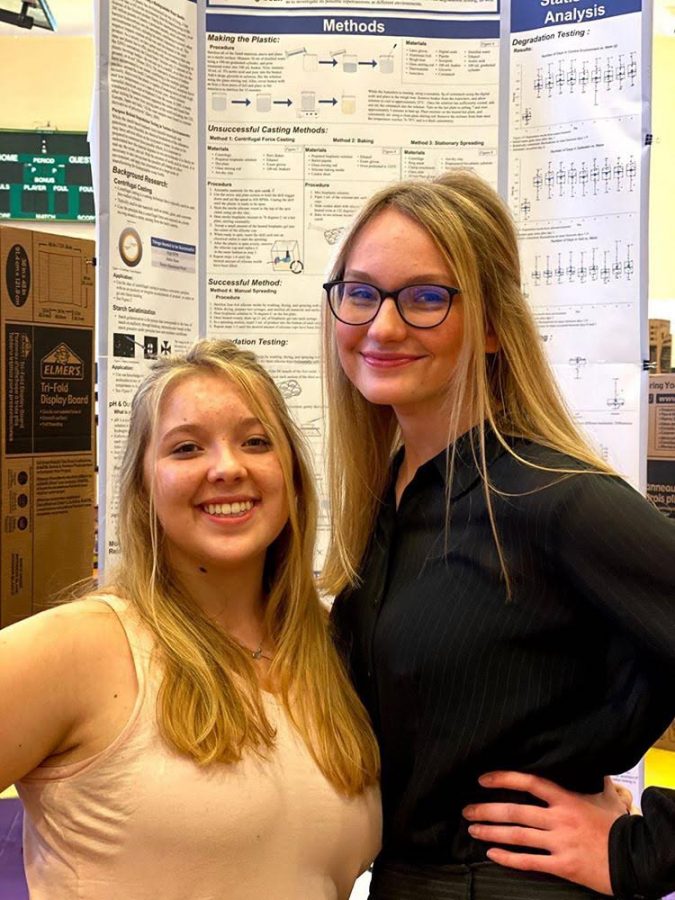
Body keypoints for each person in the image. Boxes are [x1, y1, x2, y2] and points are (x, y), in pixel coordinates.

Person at [320, 170, 675, 899]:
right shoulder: (393, 506)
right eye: (360, 293)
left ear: (488, 325)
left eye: (424, 298)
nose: (382, 326)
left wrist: (645, 850)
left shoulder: (555, 499)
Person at [0, 340, 381, 899]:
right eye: (186, 449)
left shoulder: (334, 647)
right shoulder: (79, 647)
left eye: (256, 442)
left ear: (292, 477)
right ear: (143, 488)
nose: (227, 468)